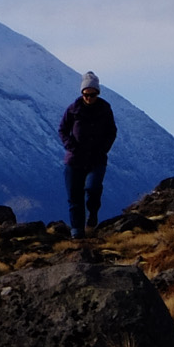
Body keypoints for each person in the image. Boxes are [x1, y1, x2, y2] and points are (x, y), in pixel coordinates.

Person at [57, 71, 117, 235]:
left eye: (93, 94)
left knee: (92, 188)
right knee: (74, 196)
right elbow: (62, 129)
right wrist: (71, 146)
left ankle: (92, 214)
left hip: (96, 159)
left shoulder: (105, 109)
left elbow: (112, 131)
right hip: (75, 159)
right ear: (82, 93)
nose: (89, 98)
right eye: (86, 94)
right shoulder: (73, 109)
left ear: (98, 93)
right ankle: (77, 231)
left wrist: (103, 149)